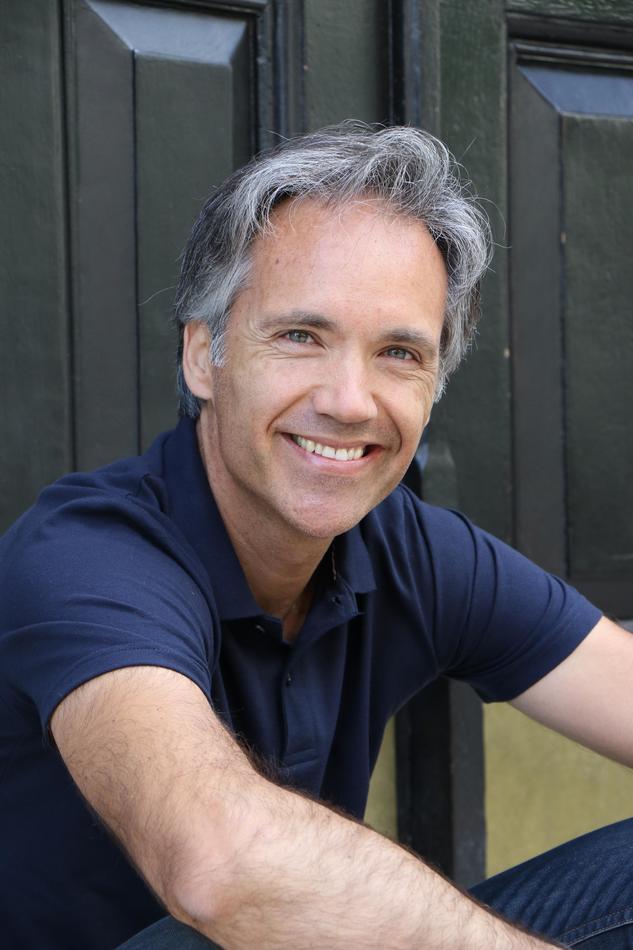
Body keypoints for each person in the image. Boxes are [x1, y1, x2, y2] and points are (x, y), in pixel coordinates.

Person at [0, 123, 631, 950]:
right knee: (249, 906)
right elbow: (220, 865)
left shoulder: (406, 550)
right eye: (301, 336)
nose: (348, 401)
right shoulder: (87, 555)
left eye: (398, 353)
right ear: (203, 356)